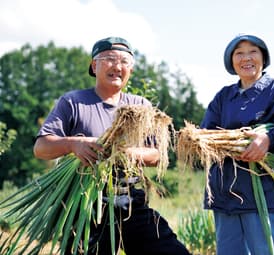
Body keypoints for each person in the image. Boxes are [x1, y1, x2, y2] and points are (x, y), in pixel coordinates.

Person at [33, 36, 191, 255]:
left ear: (131, 71)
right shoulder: (73, 102)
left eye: (125, 62)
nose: (118, 66)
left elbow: (156, 155)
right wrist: (73, 144)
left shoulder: (140, 106)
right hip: (85, 206)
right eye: (109, 59)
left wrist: (126, 153)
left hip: (130, 202)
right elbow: (41, 148)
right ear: (94, 65)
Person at [200, 34, 274, 255]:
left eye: (253, 51)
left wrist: (269, 139)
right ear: (231, 62)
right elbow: (207, 134)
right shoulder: (223, 98)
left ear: (263, 57)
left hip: (264, 194)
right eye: (239, 53)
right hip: (226, 196)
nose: (247, 58)